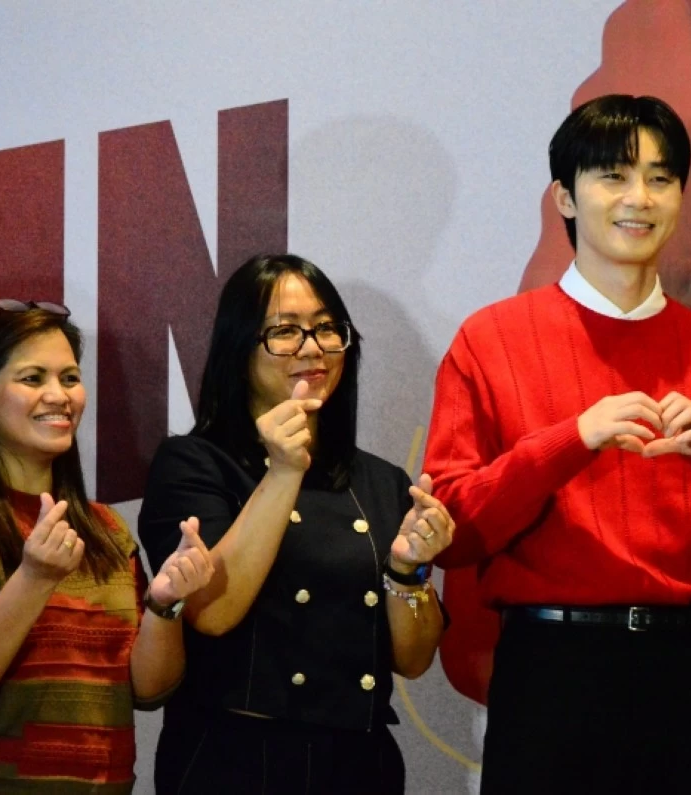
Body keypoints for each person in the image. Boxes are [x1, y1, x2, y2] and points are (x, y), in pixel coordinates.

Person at [423, 93, 691, 794]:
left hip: (682, 674)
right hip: (549, 670)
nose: (639, 197)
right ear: (564, 195)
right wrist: (573, 438)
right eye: (612, 175)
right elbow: (452, 528)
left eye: (660, 176)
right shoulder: (490, 339)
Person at [138, 254, 454, 794]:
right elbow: (211, 612)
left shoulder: (379, 480)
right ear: (240, 349)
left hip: (360, 764)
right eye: (285, 332)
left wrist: (406, 573)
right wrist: (284, 471)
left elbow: (415, 659)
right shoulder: (192, 463)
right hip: (237, 762)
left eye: (327, 328)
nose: (312, 348)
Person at [0, 300, 213, 792]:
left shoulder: (106, 529)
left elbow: (147, 691)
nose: (59, 396)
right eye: (33, 378)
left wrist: (165, 606)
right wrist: (34, 578)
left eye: (69, 377)